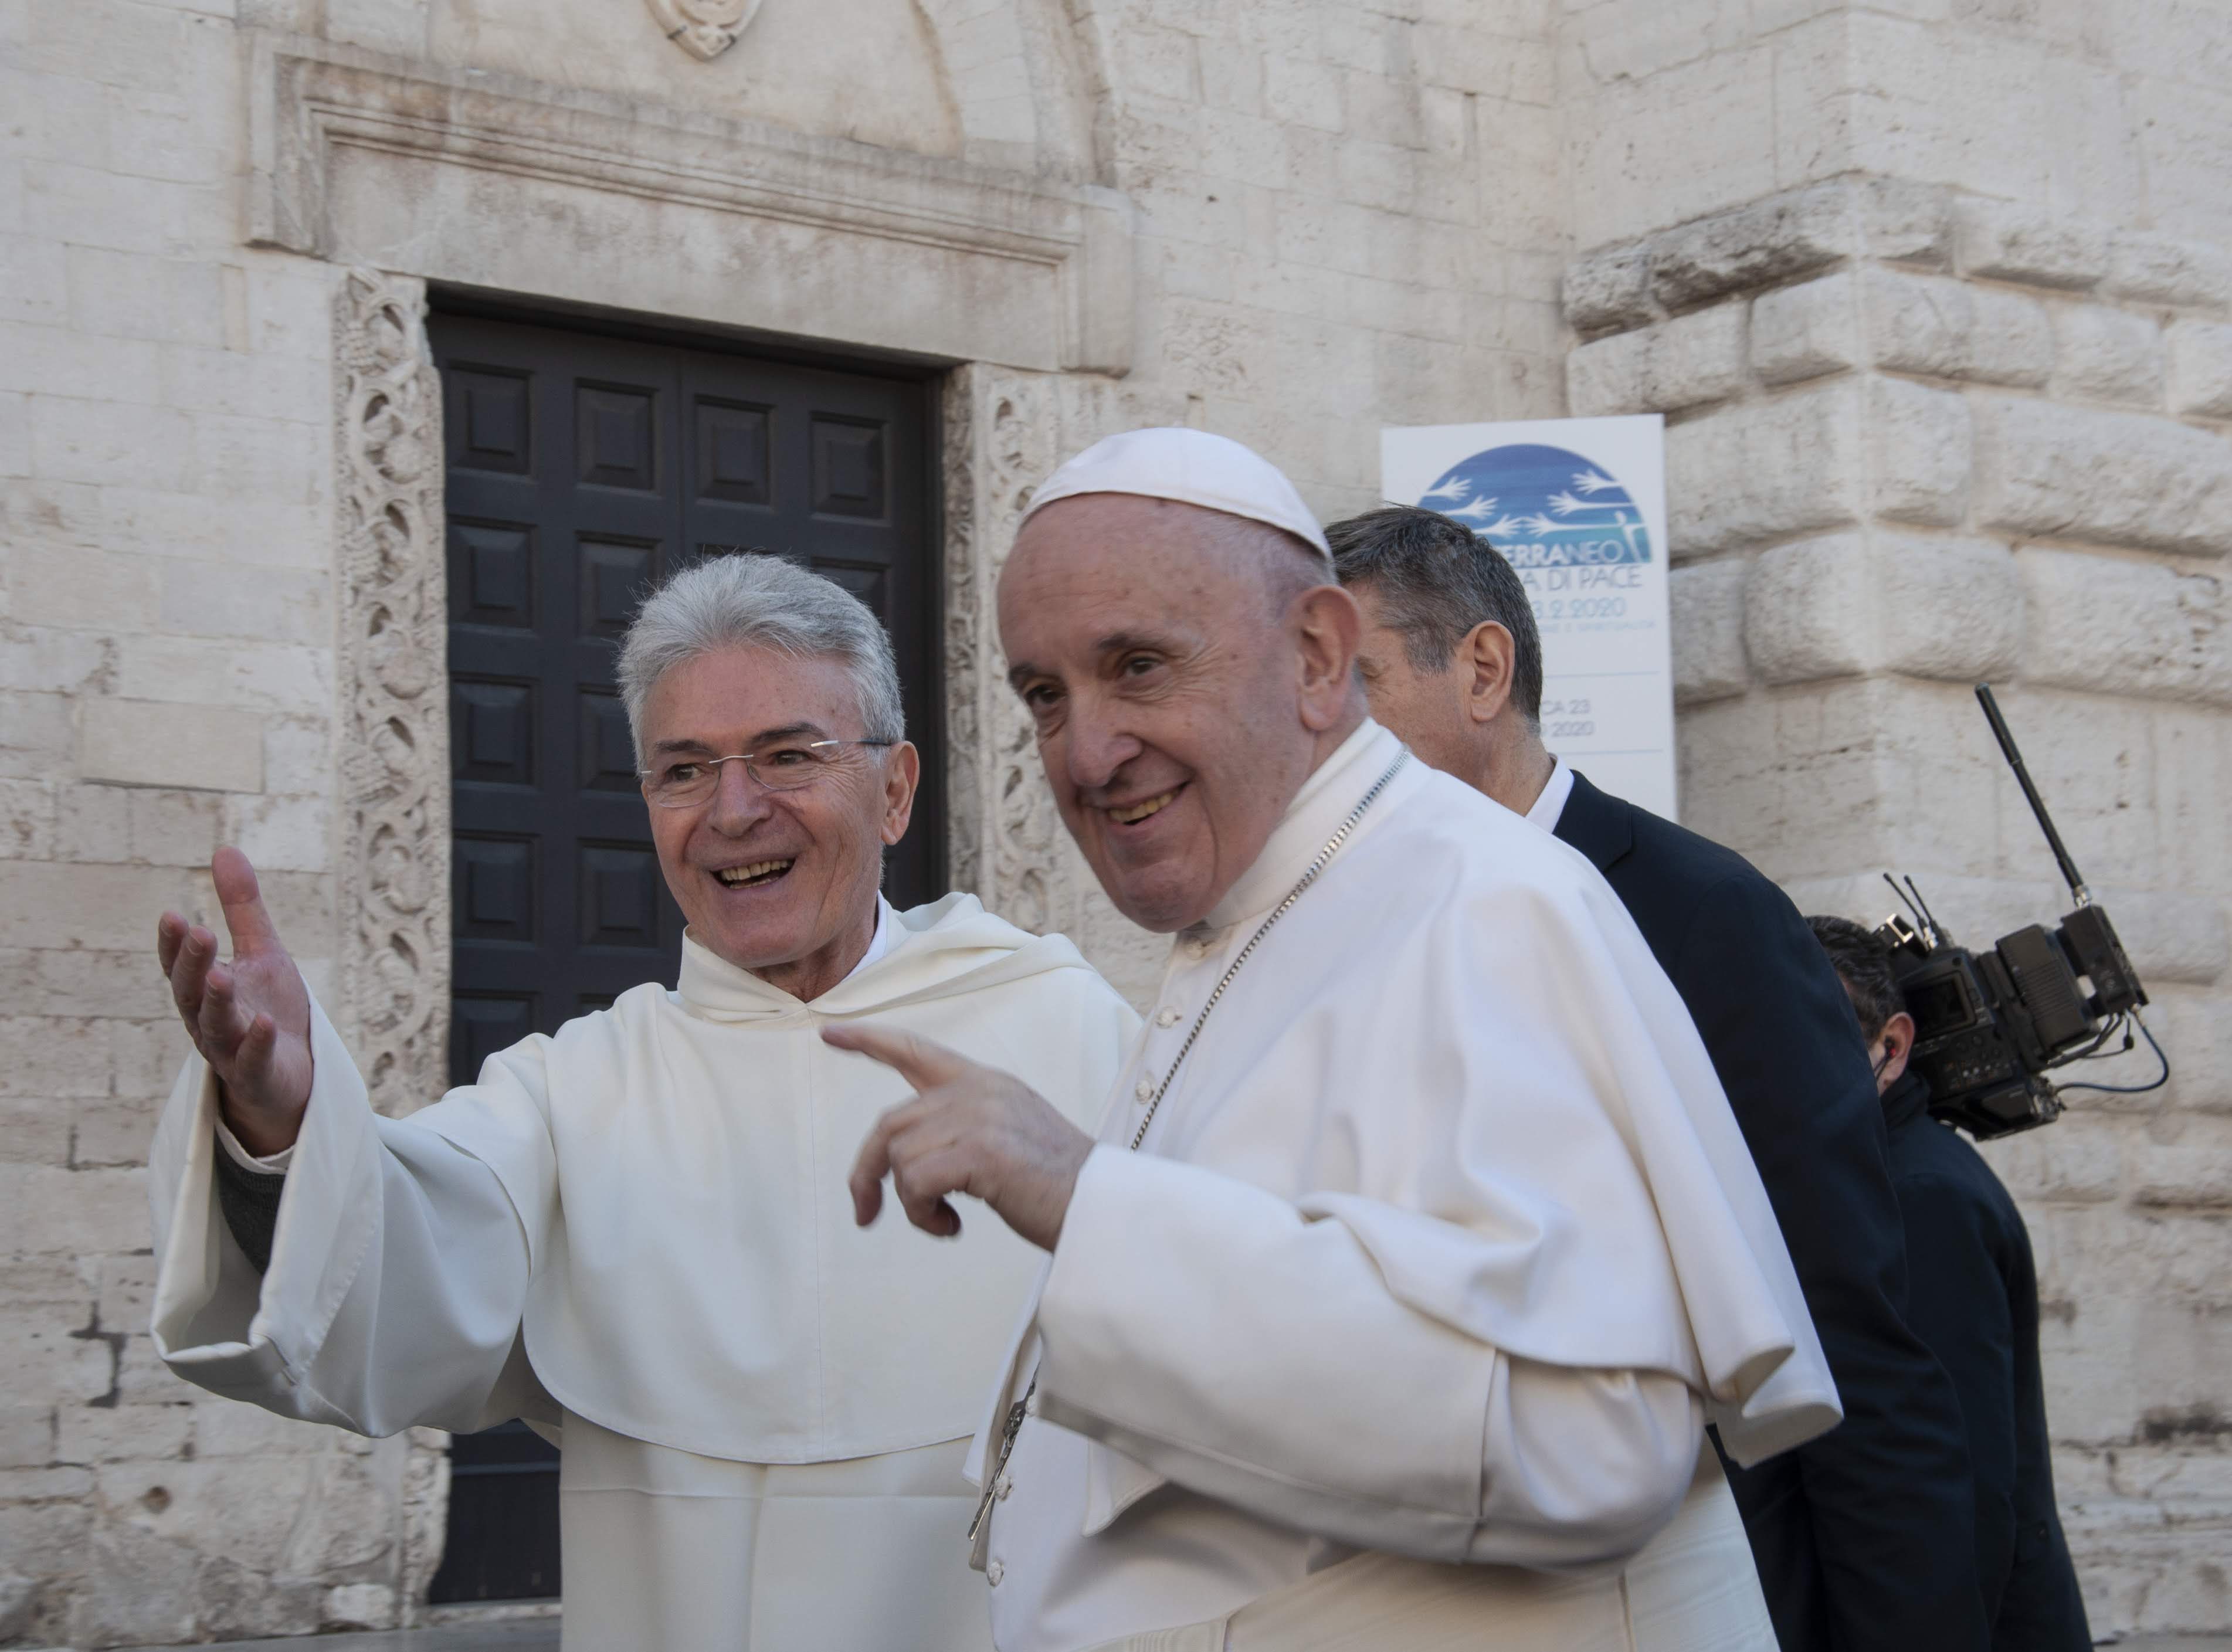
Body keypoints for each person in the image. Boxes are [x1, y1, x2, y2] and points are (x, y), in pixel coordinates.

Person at [821, 428, 1841, 1652]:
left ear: (1315, 656)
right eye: (1045, 694)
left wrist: (1082, 1197)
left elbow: (1590, 1443)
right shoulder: (1261, 909)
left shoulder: (1485, 904)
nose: (1084, 753)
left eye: (1138, 665)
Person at [144, 554, 1138, 1651]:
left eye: (787, 755)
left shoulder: (1068, 1033)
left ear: (895, 788)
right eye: (683, 771)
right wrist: (283, 1118)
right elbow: (384, 1261)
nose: (734, 810)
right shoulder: (576, 1090)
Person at [1327, 502, 1990, 1652]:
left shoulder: (1703, 916)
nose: (1312, 733)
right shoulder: (1334, 927)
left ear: (1481, 668)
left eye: (1351, 682)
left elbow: (1844, 1341)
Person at [1807, 915, 2094, 1652]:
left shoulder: (1919, 1198)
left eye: (1811, 1025)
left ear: (1891, 1047)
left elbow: (1956, 1489)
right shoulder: (1873, 1179)